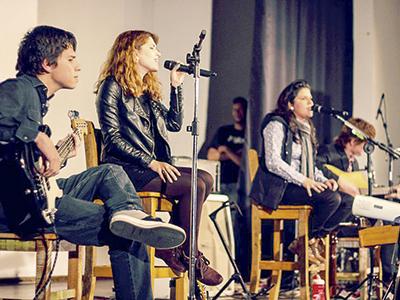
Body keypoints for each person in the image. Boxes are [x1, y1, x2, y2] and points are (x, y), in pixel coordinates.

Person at [0, 25, 186, 300]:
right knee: (127, 230)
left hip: (36, 193)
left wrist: (58, 157)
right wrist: (40, 138)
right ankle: (133, 224)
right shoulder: (17, 89)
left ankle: (131, 215)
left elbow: (22, 163)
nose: (78, 66)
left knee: (110, 173)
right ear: (46, 63)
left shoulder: (36, 100)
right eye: (71, 59)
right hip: (17, 206)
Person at [95, 30, 223, 286]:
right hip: (125, 170)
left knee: (206, 178)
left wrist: (176, 88)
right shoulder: (111, 87)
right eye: (152, 48)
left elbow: (174, 124)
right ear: (133, 52)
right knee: (194, 184)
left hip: (147, 167)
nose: (159, 53)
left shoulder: (145, 91)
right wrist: (151, 162)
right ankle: (191, 255)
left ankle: (173, 249)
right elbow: (113, 139)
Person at [250, 79, 346, 265]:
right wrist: (304, 181)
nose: (312, 103)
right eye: (305, 98)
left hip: (298, 185)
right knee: (331, 199)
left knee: (347, 202)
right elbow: (273, 162)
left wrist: (323, 180)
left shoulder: (306, 129)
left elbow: (309, 165)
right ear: (290, 104)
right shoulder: (276, 124)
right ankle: (304, 243)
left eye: (311, 98)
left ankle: (306, 241)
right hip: (278, 189)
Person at [207, 96, 246, 204]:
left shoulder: (249, 135)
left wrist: (226, 150)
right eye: (235, 109)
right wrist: (235, 155)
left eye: (240, 109)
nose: (237, 112)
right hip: (220, 182)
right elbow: (211, 156)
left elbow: (243, 162)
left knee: (233, 217)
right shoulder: (223, 131)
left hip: (238, 184)